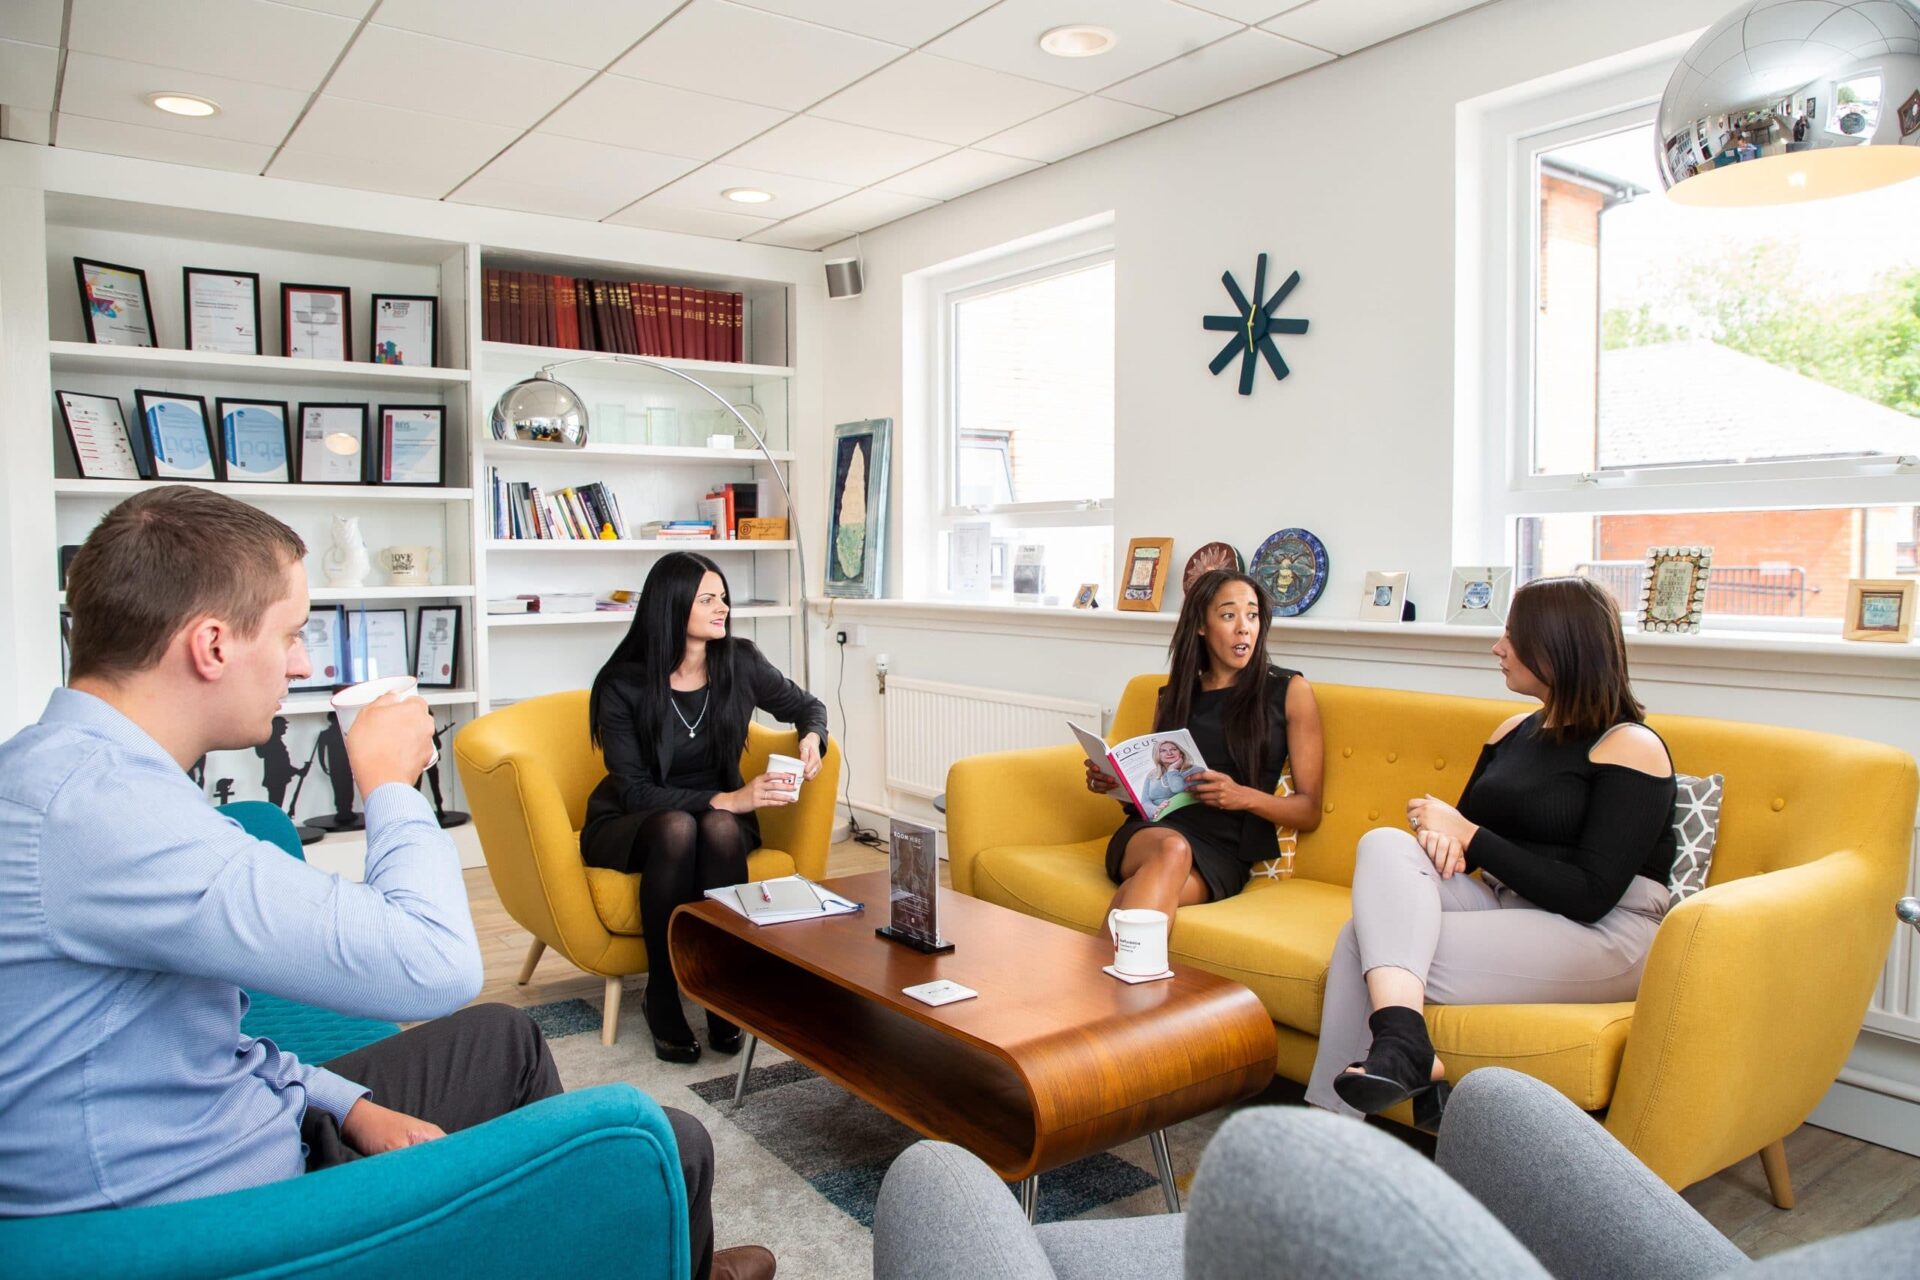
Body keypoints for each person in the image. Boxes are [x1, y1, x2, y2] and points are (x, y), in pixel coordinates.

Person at [0, 488, 773, 1280]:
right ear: (211, 645)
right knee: (662, 1143)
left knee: (505, 1037)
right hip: (225, 1216)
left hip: (226, 1125)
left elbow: (191, 1040)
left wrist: (347, 1104)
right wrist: (390, 787)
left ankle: (566, 1241)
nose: (302, 663)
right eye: (293, 634)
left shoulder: (68, 773)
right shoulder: (112, 819)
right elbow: (433, 966)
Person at [1304, 576, 1676, 1133]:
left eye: (1512, 635)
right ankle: (1404, 1047)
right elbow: (1458, 848)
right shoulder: (1511, 732)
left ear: (1559, 645)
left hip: (1607, 933)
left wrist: (1467, 834)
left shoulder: (1630, 746)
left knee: (1362, 942)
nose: (1498, 648)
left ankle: (1332, 1124)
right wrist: (1437, 832)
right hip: (1509, 903)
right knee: (1384, 844)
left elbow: (1589, 894)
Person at [583, 551, 828, 1065]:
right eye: (708, 599)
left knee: (717, 829)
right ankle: (663, 993)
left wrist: (812, 739)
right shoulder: (623, 684)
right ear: (673, 608)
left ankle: (721, 986)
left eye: (723, 598)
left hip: (716, 815)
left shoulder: (739, 660)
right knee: (677, 828)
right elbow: (635, 791)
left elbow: (807, 705)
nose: (722, 608)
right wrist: (733, 798)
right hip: (636, 819)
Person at [1087, 569, 1325, 918]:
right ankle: (1101, 971)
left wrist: (1241, 796)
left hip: (1223, 856)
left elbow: (1309, 811)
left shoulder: (1290, 692)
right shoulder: (1176, 695)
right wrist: (1115, 783)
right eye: (1229, 615)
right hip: (1153, 836)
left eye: (1253, 615)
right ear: (1201, 625)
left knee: (1145, 898)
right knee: (1172, 849)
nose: (1244, 627)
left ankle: (1096, 969)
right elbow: (1155, 793)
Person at [1140, 738, 1201, 817]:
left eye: (1174, 749)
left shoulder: (1195, 770)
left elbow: (1178, 788)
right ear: (1158, 755)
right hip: (1157, 816)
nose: (1169, 753)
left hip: (1184, 814)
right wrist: (1155, 810)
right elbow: (1145, 801)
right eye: (1163, 751)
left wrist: (1172, 769)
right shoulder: (1152, 774)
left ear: (1181, 753)